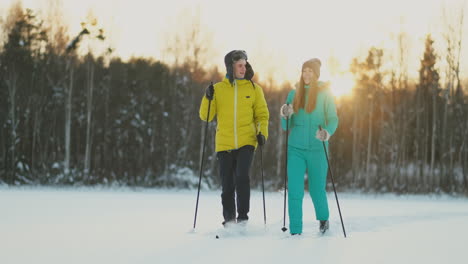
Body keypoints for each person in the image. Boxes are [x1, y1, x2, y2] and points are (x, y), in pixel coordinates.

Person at [199, 50, 269, 226]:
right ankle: (229, 219)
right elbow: (205, 116)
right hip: (224, 143)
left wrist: (262, 133)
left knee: (242, 178)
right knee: (227, 184)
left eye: (245, 65)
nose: (243, 68)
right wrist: (207, 98)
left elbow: (261, 115)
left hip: (247, 141)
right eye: (239, 65)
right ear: (230, 66)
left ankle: (243, 217)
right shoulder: (218, 89)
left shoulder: (254, 89)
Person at [280, 58, 338, 235]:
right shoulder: (294, 94)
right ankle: (295, 230)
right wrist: (285, 114)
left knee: (316, 189)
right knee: (295, 190)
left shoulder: (325, 94)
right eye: (304, 70)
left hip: (318, 149)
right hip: (295, 148)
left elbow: (333, 119)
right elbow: (286, 126)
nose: (306, 74)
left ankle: (323, 220)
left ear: (316, 74)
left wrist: (326, 132)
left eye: (310, 71)